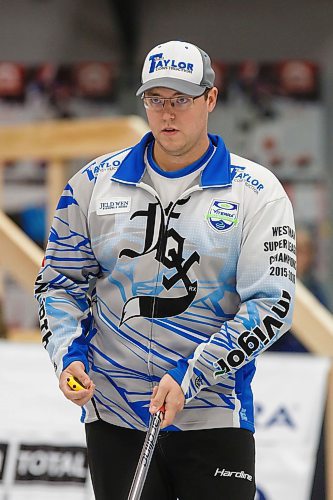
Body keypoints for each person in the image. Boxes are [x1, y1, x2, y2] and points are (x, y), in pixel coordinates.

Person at [34, 40, 296, 500]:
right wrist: (67, 356)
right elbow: (59, 282)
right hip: (114, 414)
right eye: (156, 100)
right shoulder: (91, 185)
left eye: (181, 100)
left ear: (210, 99)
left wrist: (191, 374)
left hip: (213, 412)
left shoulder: (258, 193)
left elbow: (273, 305)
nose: (168, 114)